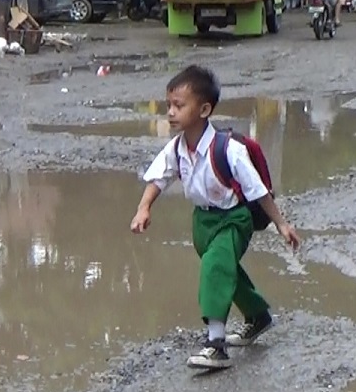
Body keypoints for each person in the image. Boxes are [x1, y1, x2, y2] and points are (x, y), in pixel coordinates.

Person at [129, 65, 302, 370]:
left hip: (233, 219)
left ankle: (216, 344)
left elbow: (259, 191)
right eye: (169, 105)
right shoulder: (177, 148)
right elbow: (159, 179)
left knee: (214, 268)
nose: (170, 112)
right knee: (225, 272)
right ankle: (258, 316)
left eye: (179, 106)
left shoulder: (229, 150)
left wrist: (281, 224)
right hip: (203, 222)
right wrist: (144, 208)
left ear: (204, 109)